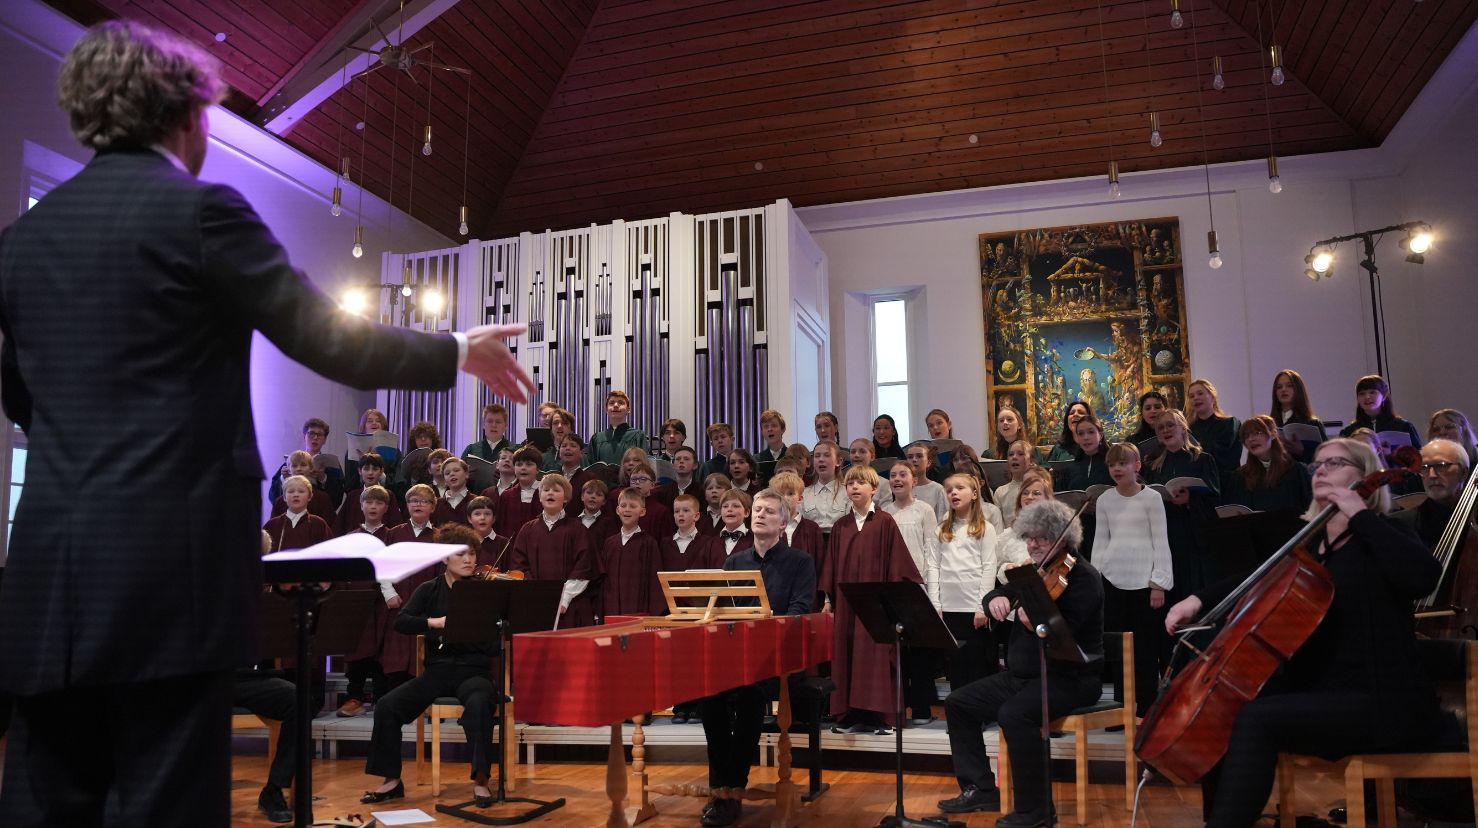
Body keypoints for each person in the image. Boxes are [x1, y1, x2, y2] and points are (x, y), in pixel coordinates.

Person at [0, 25, 535, 823]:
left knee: (46, 797)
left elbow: (21, 397)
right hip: (168, 571)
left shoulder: (23, 240)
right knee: (163, 797)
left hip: (48, 576)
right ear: (185, 117)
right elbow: (324, 337)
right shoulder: (202, 211)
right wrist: (455, 348)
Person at [1164, 438, 1442, 827]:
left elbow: (1422, 577)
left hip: (1382, 699)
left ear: (1364, 476)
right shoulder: (1311, 546)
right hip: (1323, 694)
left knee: (1258, 719)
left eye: (1335, 463)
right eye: (1317, 465)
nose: (1321, 471)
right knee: (1223, 713)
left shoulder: (1384, 532)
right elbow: (1258, 575)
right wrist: (1197, 598)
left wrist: (1358, 513)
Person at [938, 500, 1104, 822]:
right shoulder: (1032, 574)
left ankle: (1036, 810)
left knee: (1015, 714)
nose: (1032, 544)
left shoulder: (1083, 577)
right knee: (958, 703)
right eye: (1028, 537)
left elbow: (1065, 633)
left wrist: (1040, 621)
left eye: (1041, 538)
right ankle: (982, 790)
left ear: (1062, 537)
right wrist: (996, 599)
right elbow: (996, 595)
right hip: (1023, 677)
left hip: (1071, 679)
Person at [697, 489, 816, 827]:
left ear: (784, 522)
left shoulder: (800, 562)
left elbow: (799, 613)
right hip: (739, 659)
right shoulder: (735, 561)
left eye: (769, 511)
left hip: (779, 660)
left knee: (749, 696)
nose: (760, 514)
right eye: (758, 509)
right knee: (709, 697)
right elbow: (721, 611)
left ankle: (732, 790)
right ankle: (721, 786)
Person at [361, 525, 502, 807]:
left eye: (472, 554)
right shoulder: (430, 589)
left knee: (479, 704)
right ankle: (391, 781)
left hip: (473, 671)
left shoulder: (485, 591)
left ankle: (481, 780)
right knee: (388, 706)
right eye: (461, 554)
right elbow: (402, 621)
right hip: (437, 672)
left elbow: (496, 642)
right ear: (444, 558)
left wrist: (489, 627)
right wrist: (433, 623)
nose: (469, 560)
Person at [821, 464, 924, 733]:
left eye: (860, 483)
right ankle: (850, 715)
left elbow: (898, 563)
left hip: (877, 607)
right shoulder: (840, 526)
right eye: (850, 483)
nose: (854, 487)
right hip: (846, 604)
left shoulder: (884, 522)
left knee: (875, 657)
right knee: (848, 656)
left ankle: (880, 716)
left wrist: (893, 604)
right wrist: (829, 600)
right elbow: (830, 567)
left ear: (875, 489)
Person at [1092, 442, 1172, 717]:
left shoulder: (1151, 498)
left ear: (1137, 466)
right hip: (1113, 581)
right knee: (1117, 648)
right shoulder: (1104, 500)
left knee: (1145, 648)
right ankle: (1120, 709)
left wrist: (1158, 582)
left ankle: (1146, 708)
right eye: (1112, 464)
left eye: (1123, 463)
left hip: (1144, 583)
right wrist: (1096, 582)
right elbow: (1100, 543)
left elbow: (1160, 541)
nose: (1116, 468)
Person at [934, 473, 1006, 696]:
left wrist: (982, 606)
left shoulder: (985, 528)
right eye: (949, 490)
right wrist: (935, 603)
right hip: (949, 606)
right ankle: (959, 713)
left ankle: (980, 712)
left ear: (974, 494)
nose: (953, 493)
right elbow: (933, 567)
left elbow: (988, 568)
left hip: (974, 607)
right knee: (956, 664)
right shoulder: (941, 530)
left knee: (977, 662)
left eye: (960, 488)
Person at [510, 474, 598, 628]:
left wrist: (564, 598)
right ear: (540, 496)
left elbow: (583, 567)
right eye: (546, 490)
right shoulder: (527, 530)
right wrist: (538, 594)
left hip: (569, 605)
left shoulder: (578, 529)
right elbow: (519, 566)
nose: (550, 493)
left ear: (566, 498)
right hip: (535, 603)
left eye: (556, 490)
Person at [598, 488, 667, 617]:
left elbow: (654, 581)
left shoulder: (648, 543)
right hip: (611, 608)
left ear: (642, 512)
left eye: (633, 506)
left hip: (639, 608)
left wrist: (653, 614)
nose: (627, 509)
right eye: (623, 506)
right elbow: (603, 581)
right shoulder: (610, 543)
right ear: (618, 510)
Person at [1224, 415, 1313, 514]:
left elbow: (1310, 512)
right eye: (1246, 436)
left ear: (1273, 434)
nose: (1251, 439)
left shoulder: (1297, 471)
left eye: (1257, 433)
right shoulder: (1239, 477)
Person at [1392, 438, 1470, 549]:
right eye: (1424, 467)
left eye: (1441, 465)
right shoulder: (1400, 526)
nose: (1431, 475)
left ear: (1463, 472)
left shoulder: (1474, 520)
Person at [1338, 374, 1422, 456]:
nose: (1367, 397)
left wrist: (1392, 454)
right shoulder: (1349, 432)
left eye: (1372, 392)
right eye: (1362, 393)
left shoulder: (1404, 427)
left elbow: (1419, 458)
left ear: (1384, 396)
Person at [1187, 379, 1242, 492]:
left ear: (1212, 396)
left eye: (1200, 393)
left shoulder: (1229, 423)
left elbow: (1224, 455)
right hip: (1199, 487)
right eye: (1191, 396)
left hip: (1226, 485)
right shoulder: (1189, 429)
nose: (1196, 398)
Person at [334, 452, 404, 537]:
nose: (370, 473)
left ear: (381, 471)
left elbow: (396, 524)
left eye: (375, 469)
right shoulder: (353, 496)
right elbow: (339, 526)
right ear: (360, 471)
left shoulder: (389, 495)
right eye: (366, 469)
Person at [264, 475, 333, 552]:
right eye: (291, 491)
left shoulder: (319, 524)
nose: (296, 495)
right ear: (284, 497)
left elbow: (328, 553)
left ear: (309, 496)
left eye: (301, 491)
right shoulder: (272, 525)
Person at [1269, 369, 1326, 460]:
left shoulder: (1312, 423)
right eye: (1279, 387)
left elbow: (1325, 458)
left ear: (1298, 390)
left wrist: (1302, 451)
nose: (1283, 389)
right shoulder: (1269, 425)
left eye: (1289, 386)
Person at [270, 450, 337, 523]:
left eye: (303, 465)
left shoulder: (322, 498)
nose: (299, 469)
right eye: (294, 466)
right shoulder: (280, 501)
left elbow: (330, 526)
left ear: (311, 468)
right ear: (288, 470)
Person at [493, 445, 545, 536]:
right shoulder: (506, 495)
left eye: (529, 464)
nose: (523, 468)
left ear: (538, 469)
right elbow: (500, 528)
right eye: (519, 464)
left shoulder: (546, 493)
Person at [587, 390, 648, 465]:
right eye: (611, 403)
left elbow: (644, 466)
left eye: (621, 403)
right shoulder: (597, 439)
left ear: (628, 409)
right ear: (606, 409)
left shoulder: (638, 436)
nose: (615, 405)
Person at [899, 440, 950, 521]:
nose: (914, 460)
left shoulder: (937, 489)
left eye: (919, 456)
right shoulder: (901, 488)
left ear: (929, 462)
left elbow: (943, 521)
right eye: (910, 457)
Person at [431, 456, 474, 527]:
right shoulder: (437, 505)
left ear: (466, 474)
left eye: (456, 470)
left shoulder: (475, 501)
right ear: (444, 479)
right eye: (447, 473)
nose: (452, 474)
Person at [756, 408, 789, 483]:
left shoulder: (792, 456)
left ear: (783, 429)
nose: (769, 429)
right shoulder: (756, 460)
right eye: (766, 427)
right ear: (762, 432)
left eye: (774, 425)